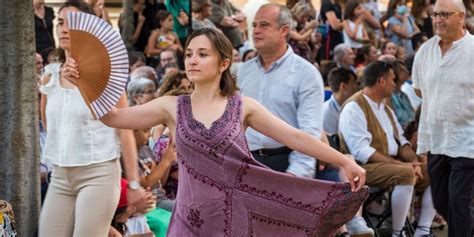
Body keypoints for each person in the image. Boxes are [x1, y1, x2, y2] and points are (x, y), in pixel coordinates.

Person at [65, 27, 368, 235]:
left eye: (202, 54)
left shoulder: (242, 107)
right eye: (189, 54)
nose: (193, 60)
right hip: (188, 219)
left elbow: (296, 137)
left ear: (223, 62)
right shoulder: (171, 106)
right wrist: (82, 81)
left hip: (236, 218)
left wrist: (343, 160)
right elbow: (113, 117)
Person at [38, 2, 146, 236]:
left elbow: (125, 130)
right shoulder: (50, 75)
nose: (64, 29)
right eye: (59, 22)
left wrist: (135, 184)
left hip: (99, 173)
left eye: (72, 23)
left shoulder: (107, 75)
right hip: (60, 175)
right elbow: (49, 124)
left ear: (89, 29)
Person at [339, 61, 436, 236]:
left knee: (437, 172)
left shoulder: (385, 109)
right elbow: (362, 152)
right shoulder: (354, 107)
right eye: (393, 79)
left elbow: (401, 142)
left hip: (388, 165)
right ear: (381, 80)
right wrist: (402, 166)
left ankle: (422, 230)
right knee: (405, 173)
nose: (395, 83)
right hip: (362, 169)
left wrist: (413, 160)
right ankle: (397, 233)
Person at [237, 3, 323, 178]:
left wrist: (296, 175)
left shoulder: (306, 74)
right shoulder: (243, 71)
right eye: (254, 25)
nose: (256, 30)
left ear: (284, 30)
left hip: (286, 162)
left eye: (264, 25)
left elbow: (309, 133)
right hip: (245, 162)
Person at [411, 0, 474, 235]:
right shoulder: (425, 51)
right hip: (437, 139)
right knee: (440, 200)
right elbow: (419, 89)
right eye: (435, 14)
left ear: (461, 16)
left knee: (458, 201)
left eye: (444, 15)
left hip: (467, 139)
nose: (438, 20)